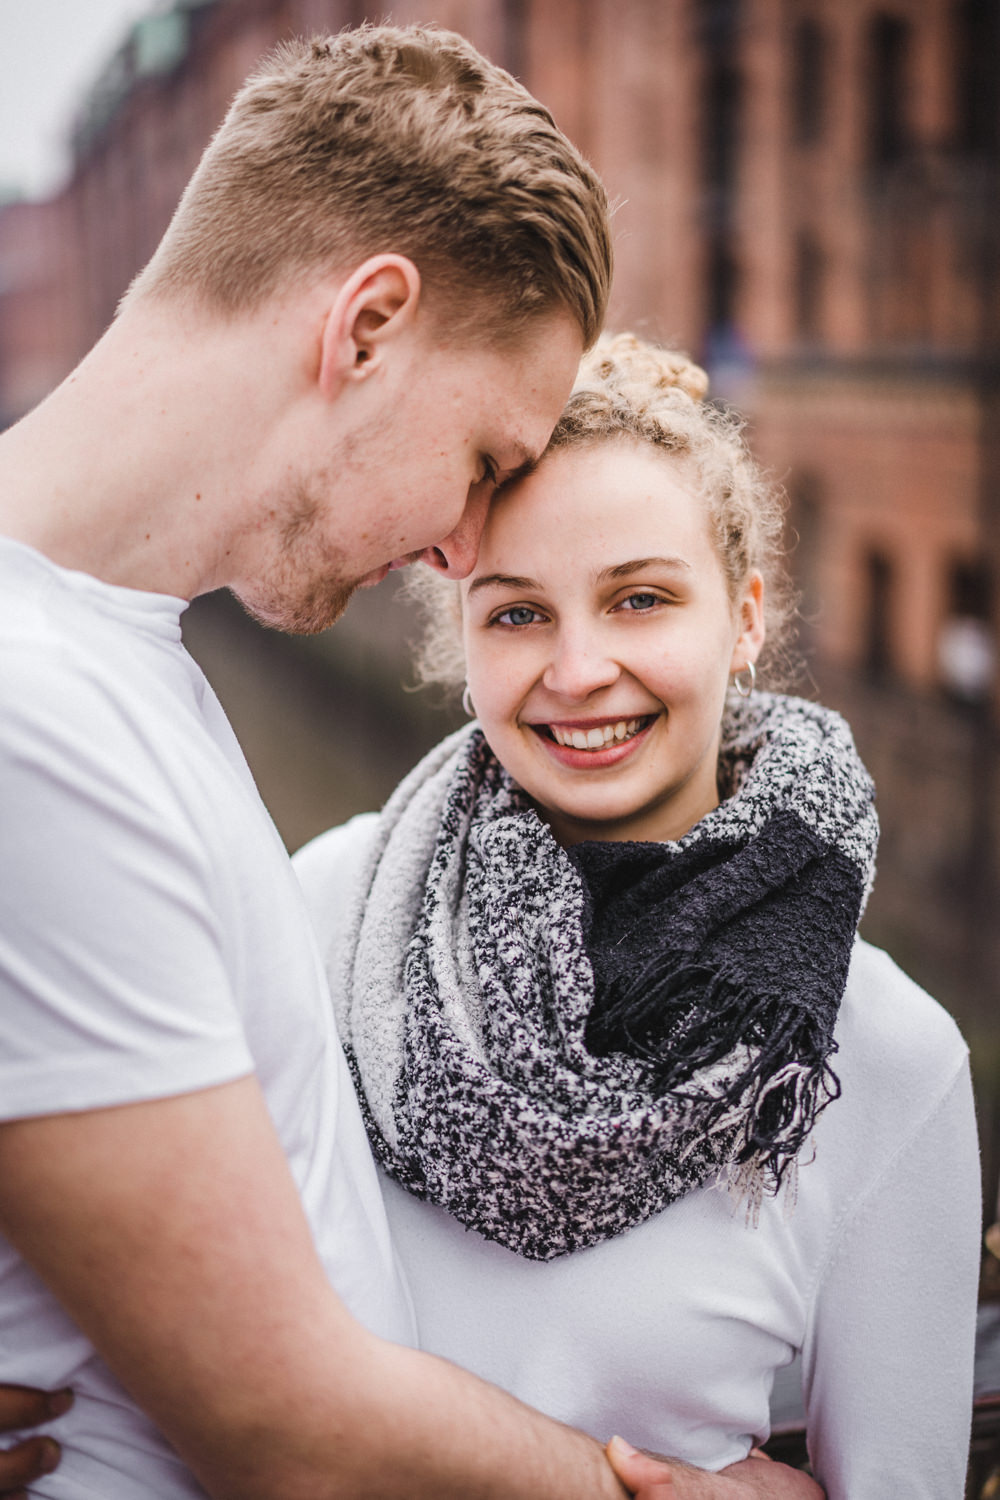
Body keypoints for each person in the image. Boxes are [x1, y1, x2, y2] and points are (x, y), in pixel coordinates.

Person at [0, 24, 717, 1500]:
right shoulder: (33, 712)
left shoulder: (117, 669)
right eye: (486, 462)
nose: (465, 548)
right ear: (368, 325)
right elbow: (282, 1429)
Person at [292, 334, 982, 1500]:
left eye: (640, 599)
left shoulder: (884, 1060)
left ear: (747, 616)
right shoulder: (329, 914)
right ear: (460, 641)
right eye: (516, 616)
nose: (577, 669)